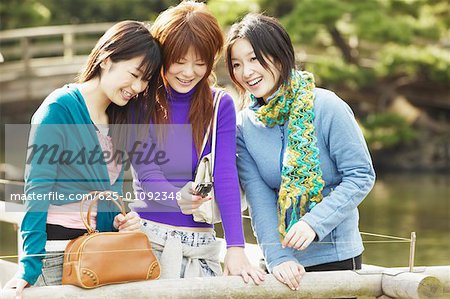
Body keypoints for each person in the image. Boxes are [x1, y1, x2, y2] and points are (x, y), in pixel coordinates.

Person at [4, 20, 162, 297]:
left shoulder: (120, 117)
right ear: (106, 59)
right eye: (134, 74)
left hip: (104, 257)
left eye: (145, 80)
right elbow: (36, 192)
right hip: (57, 258)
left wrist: (120, 220)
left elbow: (106, 192)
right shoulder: (59, 109)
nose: (138, 87)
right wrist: (28, 266)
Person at [225, 13, 376, 291]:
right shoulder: (244, 126)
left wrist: (313, 223)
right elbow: (259, 198)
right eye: (237, 64)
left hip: (338, 258)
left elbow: (360, 176)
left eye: (255, 59)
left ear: (280, 55)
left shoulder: (327, 106)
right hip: (283, 267)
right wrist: (278, 257)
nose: (246, 72)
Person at [130, 1, 265, 284]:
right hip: (146, 241)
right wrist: (177, 196)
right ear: (163, 55)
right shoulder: (142, 101)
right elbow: (148, 175)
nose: (189, 72)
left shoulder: (220, 105)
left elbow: (225, 176)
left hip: (201, 246)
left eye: (200, 62)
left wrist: (236, 247)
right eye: (179, 60)